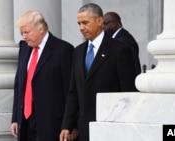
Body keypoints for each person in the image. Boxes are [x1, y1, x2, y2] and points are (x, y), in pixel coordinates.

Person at [59, 3, 138, 141]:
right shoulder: (78, 51)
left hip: (110, 126)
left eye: (85, 23)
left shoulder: (119, 50)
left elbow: (128, 91)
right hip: (84, 128)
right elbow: (73, 92)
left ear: (100, 21)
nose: (81, 28)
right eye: (79, 24)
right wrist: (67, 125)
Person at [11, 11, 75, 141]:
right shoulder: (24, 48)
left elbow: (70, 90)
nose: (24, 37)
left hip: (52, 122)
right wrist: (15, 118)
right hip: (26, 121)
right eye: (21, 33)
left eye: (27, 32)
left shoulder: (63, 49)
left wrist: (69, 124)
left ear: (41, 29)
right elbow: (19, 85)